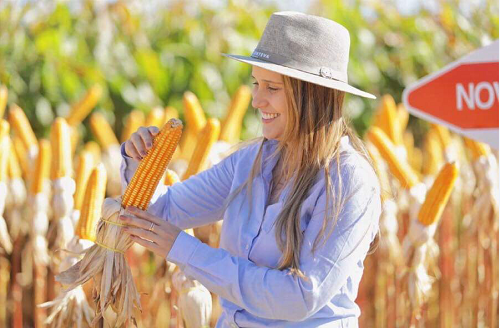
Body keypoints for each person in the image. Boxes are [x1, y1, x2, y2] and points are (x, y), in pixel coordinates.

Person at [119, 11, 381, 328]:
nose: (256, 100)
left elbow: (301, 296)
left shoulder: (350, 181)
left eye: (271, 88)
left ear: (311, 95)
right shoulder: (249, 161)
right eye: (256, 83)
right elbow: (163, 212)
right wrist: (140, 162)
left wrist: (186, 251)